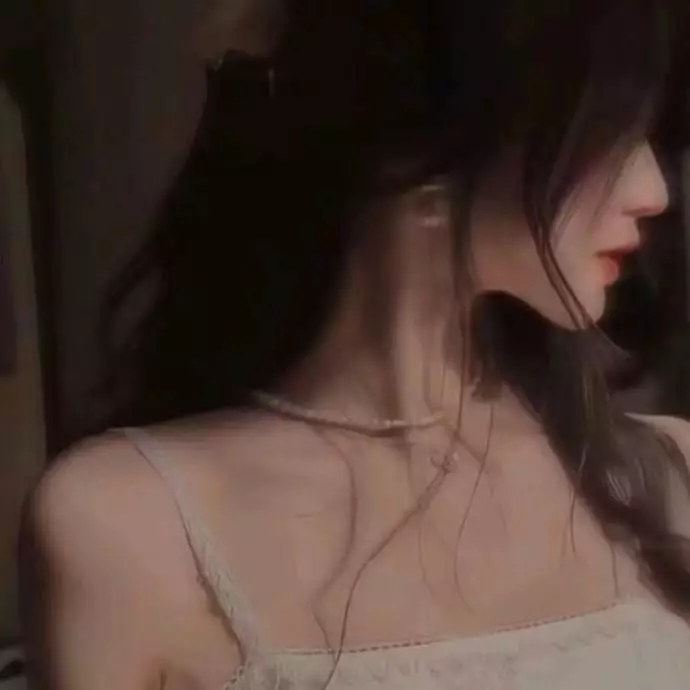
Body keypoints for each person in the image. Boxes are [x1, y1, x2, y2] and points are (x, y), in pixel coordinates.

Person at [18, 0, 690, 688]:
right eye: (609, 128)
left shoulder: (671, 477)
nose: (654, 191)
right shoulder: (129, 530)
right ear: (432, 129)